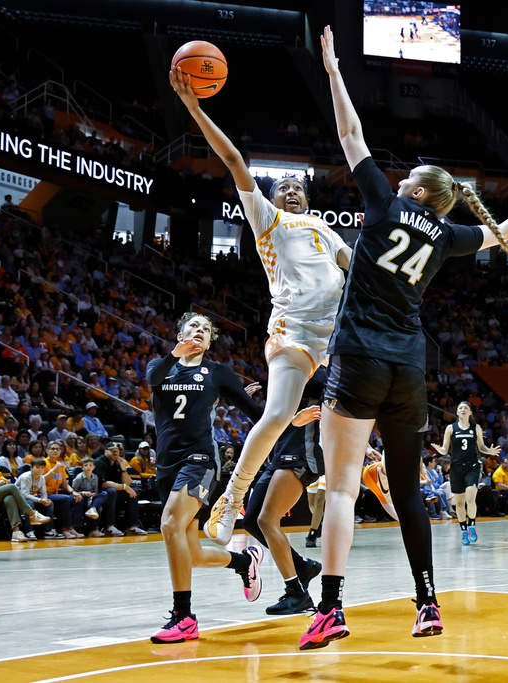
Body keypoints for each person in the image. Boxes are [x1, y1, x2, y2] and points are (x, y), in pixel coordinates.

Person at [300, 25, 508, 651]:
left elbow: (351, 136)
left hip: (357, 361)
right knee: (406, 492)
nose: (398, 179)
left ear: (417, 192)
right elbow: (502, 233)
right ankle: (428, 601)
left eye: (407, 179)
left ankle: (330, 607)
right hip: (408, 367)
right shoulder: (447, 234)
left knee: (345, 486)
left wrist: (332, 70)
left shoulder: (383, 202)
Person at [169, 66, 351, 548]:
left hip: (334, 341)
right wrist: (194, 108)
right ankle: (231, 499)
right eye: (282, 189)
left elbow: (359, 270)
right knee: (276, 415)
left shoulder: (326, 231)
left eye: (298, 189)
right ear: (272, 200)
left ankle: (381, 479)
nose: (290, 192)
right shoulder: (268, 221)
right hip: (292, 333)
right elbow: (231, 159)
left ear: (309, 199)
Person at [146, 313, 268, 644]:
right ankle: (244, 562)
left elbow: (258, 415)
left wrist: (288, 418)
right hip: (167, 464)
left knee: (170, 524)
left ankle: (183, 617)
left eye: (205, 330)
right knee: (193, 553)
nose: (199, 331)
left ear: (211, 341)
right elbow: (153, 377)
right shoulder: (161, 366)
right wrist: (175, 353)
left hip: (200, 459)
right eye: (193, 326)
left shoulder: (217, 373)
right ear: (180, 332)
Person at [242, 384, 324, 616]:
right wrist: (244, 401)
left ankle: (297, 593)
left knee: (267, 520)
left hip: (300, 454)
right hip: (279, 455)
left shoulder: (315, 373)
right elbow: (268, 421)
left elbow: (339, 409)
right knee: (252, 520)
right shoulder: (283, 376)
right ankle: (302, 566)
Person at [430, 401, 499, 545]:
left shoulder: (476, 428)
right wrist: (440, 450)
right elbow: (445, 449)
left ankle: (472, 526)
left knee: (470, 497)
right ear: (457, 412)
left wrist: (489, 451)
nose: (463, 410)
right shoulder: (451, 428)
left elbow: (481, 447)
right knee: (459, 503)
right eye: (460, 408)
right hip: (456, 468)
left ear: (470, 412)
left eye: (466, 408)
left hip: (472, 467)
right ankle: (463, 530)